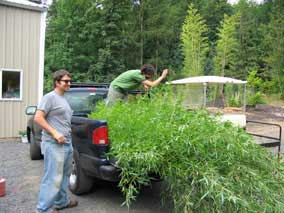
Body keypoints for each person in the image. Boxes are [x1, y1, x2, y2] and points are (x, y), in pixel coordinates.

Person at [34, 70, 78, 213]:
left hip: (66, 143)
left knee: (64, 175)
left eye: (70, 81)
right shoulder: (50, 97)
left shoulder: (63, 99)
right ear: (57, 82)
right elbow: (38, 117)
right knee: (52, 178)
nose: (69, 83)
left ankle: (61, 202)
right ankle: (43, 209)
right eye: (66, 81)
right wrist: (54, 132)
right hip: (54, 144)